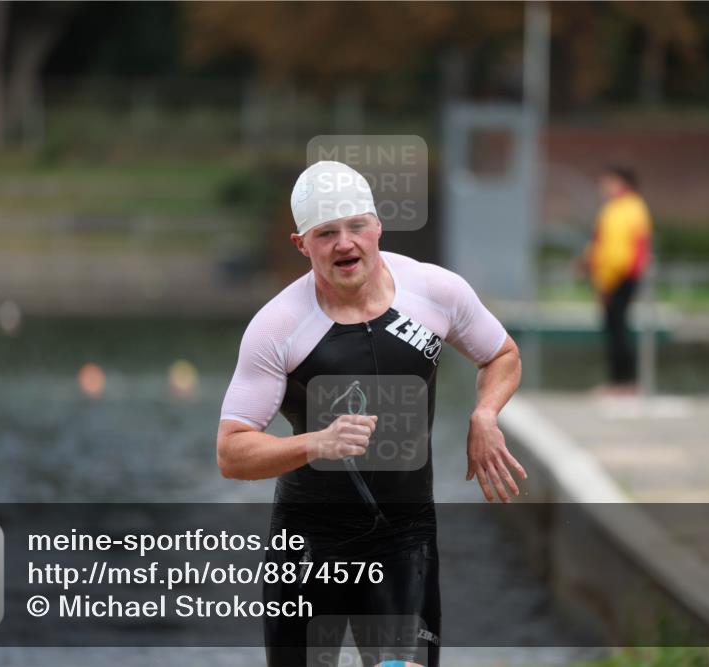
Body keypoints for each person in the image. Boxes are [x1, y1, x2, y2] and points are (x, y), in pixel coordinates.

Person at [217, 160, 524, 667]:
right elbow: (231, 452)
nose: (345, 243)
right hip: (307, 545)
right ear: (301, 244)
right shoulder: (278, 326)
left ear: (378, 226)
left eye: (356, 226)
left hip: (405, 538)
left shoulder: (434, 291)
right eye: (326, 233)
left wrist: (485, 415)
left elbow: (502, 355)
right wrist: (316, 443)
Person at [584, 166, 653, 394]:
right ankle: (623, 382)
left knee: (617, 330)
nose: (604, 186)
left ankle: (624, 383)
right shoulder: (624, 208)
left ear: (623, 183)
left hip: (619, 277)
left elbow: (617, 251)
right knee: (616, 329)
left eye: (609, 181)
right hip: (618, 276)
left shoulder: (624, 210)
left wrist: (606, 281)